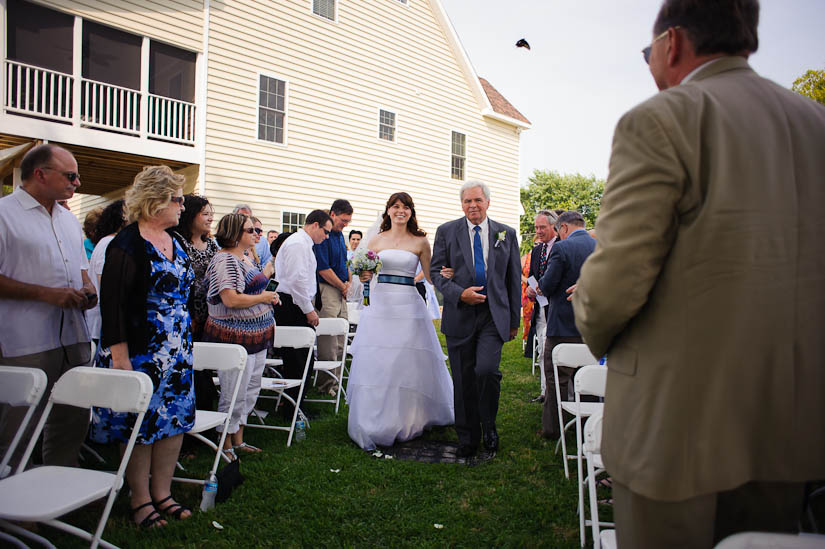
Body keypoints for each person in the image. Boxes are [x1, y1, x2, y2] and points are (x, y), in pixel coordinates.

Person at [571, 1, 825, 546]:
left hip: (677, 426)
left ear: (674, 43)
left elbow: (614, 279)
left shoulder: (661, 119)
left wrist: (591, 327)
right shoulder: (814, 123)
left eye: (647, 51)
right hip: (787, 420)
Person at [92, 165, 195, 528]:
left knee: (174, 422)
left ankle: (163, 493)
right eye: (177, 199)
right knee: (140, 425)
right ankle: (139, 499)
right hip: (138, 351)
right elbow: (113, 304)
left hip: (177, 352)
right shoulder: (126, 244)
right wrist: (119, 357)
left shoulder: (178, 241)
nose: (183, 206)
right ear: (155, 202)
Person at [0, 144, 96, 469]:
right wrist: (48, 294)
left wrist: (87, 289)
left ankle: (59, 488)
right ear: (40, 174)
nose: (77, 183)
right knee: (19, 426)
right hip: (25, 340)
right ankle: (14, 508)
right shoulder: (4, 214)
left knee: (73, 418)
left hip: (73, 336)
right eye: (71, 176)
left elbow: (82, 271)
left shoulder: (69, 220)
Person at [347, 193, 454, 450]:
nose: (400, 211)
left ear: (411, 212)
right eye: (396, 207)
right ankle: (374, 419)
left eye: (405, 207)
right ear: (388, 211)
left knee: (406, 362)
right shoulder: (377, 239)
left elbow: (429, 277)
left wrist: (445, 274)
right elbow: (368, 273)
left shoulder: (420, 241)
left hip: (408, 307)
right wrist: (364, 276)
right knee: (380, 361)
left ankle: (411, 416)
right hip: (381, 306)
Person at [430, 180, 521, 457]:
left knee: (486, 371)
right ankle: (468, 436)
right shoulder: (447, 231)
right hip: (460, 314)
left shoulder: (506, 233)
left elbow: (513, 279)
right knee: (463, 377)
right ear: (462, 204)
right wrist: (460, 294)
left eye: (477, 201)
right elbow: (436, 273)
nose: (472, 206)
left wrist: (514, 320)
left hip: (493, 316)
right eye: (467, 201)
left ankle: (489, 426)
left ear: (488, 203)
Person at [203, 213, 278, 458]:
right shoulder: (225, 261)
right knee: (234, 391)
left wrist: (267, 294)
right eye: (250, 230)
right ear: (235, 234)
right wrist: (264, 297)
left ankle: (239, 439)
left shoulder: (244, 258)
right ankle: (224, 443)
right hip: (234, 338)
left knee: (250, 389)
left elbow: (252, 288)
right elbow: (231, 298)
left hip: (256, 337)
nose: (257, 234)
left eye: (257, 230)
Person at [537, 211, 596, 439]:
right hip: (591, 327)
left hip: (562, 326)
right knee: (589, 378)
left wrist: (541, 284)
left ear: (562, 228)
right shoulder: (599, 246)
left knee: (557, 380)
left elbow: (548, 285)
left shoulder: (561, 248)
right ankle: (588, 427)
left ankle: (553, 428)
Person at [273, 210, 332, 411]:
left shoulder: (303, 243)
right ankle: (293, 409)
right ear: (315, 225)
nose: (326, 237)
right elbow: (296, 281)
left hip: (296, 303)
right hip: (293, 305)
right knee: (299, 361)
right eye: (325, 232)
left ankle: (294, 405)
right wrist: (308, 310)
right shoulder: (298, 244)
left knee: (301, 360)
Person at [174, 195, 219, 421]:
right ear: (190, 215)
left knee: (204, 368)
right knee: (190, 370)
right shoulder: (178, 242)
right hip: (188, 314)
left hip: (209, 314)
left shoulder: (212, 244)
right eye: (205, 213)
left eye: (211, 213)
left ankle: (206, 417)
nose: (210, 218)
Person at [314, 199, 353, 395]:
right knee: (328, 342)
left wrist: (348, 282)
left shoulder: (340, 236)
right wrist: (341, 285)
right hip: (327, 289)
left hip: (341, 290)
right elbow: (323, 268)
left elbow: (344, 263)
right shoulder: (324, 236)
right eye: (343, 220)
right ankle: (325, 386)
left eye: (348, 221)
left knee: (341, 339)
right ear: (332, 214)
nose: (345, 224)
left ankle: (336, 384)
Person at [524, 210, 559, 403]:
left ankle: (558, 394)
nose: (538, 231)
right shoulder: (537, 250)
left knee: (552, 351)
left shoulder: (562, 246)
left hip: (556, 308)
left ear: (553, 226)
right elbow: (532, 274)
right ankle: (545, 392)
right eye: (536, 227)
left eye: (542, 227)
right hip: (540, 309)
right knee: (542, 351)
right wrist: (531, 287)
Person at [86, 199, 127, 343]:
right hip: (101, 326)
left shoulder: (111, 242)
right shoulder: (110, 244)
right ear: (123, 220)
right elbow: (108, 288)